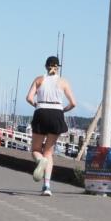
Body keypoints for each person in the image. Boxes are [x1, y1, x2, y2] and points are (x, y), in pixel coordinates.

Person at [25, 55, 76, 196]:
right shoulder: (63, 81)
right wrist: (63, 110)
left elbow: (29, 98)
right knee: (49, 152)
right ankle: (47, 186)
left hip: (41, 111)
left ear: (45, 66)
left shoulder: (39, 79)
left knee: (36, 149)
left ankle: (40, 160)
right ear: (58, 67)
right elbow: (73, 103)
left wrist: (36, 105)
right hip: (57, 114)